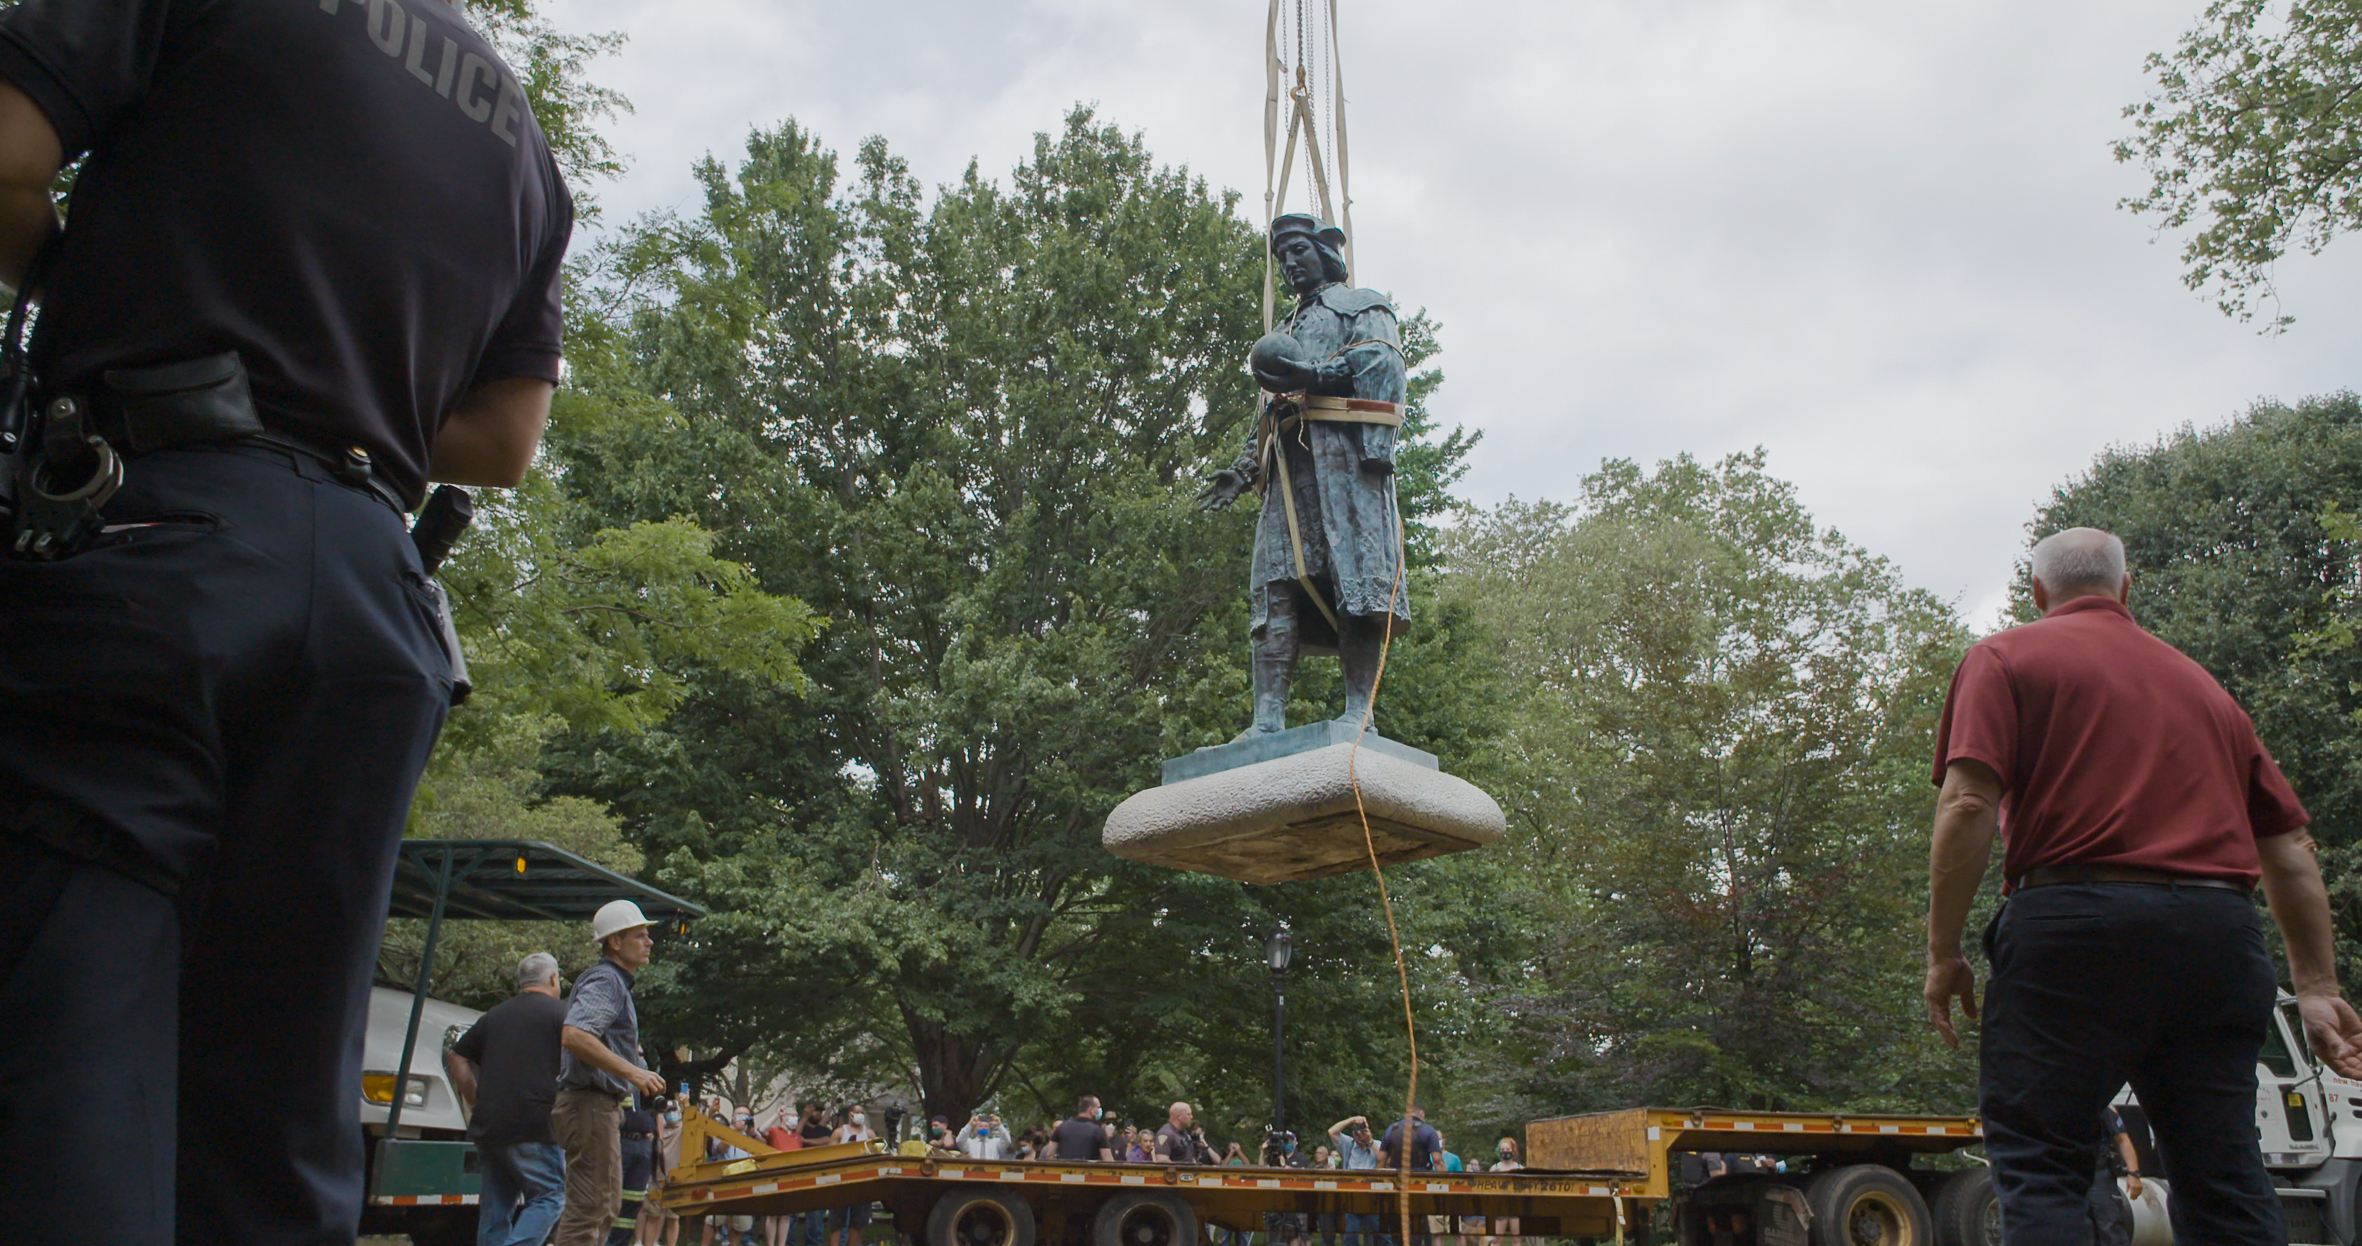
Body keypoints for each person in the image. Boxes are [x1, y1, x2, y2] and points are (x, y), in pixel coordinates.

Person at [0, 1, 571, 1241]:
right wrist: (341, 388)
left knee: (71, 1044)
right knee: (274, 1101)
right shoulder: (517, 132)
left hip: (159, 538)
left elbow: (8, 154)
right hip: (376, 600)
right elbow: (504, 440)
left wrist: (86, 278)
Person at [1924, 526, 2362, 1246]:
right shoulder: (2207, 691)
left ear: (2038, 593)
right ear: (2126, 589)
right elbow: (2288, 848)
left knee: (2044, 1164)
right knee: (2222, 1171)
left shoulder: (2004, 657)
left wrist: (1944, 950)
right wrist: (2315, 986)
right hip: (2217, 936)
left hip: (2073, 927)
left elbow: (1970, 804)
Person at [1196, 212, 1409, 736]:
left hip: (1345, 463)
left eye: (1299, 251)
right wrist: (1244, 471)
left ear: (1327, 252)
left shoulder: (1362, 306)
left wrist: (1316, 375)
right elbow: (1270, 411)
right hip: (1290, 474)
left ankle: (1361, 714)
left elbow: (1382, 364)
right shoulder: (1285, 330)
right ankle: (1266, 720)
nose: (1290, 263)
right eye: (1282, 256)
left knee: (1354, 581)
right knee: (1276, 590)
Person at [555, 901, 671, 1246]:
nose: (649, 941)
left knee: (604, 1205)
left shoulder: (614, 982)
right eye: (640, 935)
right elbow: (574, 1035)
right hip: (588, 1104)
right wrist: (634, 1073)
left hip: (596, 1107)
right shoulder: (607, 980)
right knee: (590, 1207)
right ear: (615, 943)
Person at [448, 952, 573, 1246]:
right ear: (554, 978)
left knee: (495, 1210)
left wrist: (474, 1100)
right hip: (535, 1124)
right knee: (550, 1196)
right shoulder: (561, 1014)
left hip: (489, 1124)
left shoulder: (493, 1016)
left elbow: (456, 1056)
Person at [611, 1095, 662, 1246]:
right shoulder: (620, 1076)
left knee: (633, 1201)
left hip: (642, 1144)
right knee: (611, 1197)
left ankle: (619, 1243)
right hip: (620, 1140)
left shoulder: (645, 1077)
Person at [2090, 1107, 2143, 1246]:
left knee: (2109, 1227)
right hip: (2071, 1174)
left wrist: (2133, 1174)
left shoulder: (2102, 1105)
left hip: (2098, 1176)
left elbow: (2122, 1139)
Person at [1329, 1116, 1383, 1246]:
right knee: (1351, 1236)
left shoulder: (1378, 1144)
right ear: (1353, 1134)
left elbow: (1383, 1161)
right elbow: (1332, 1132)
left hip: (1373, 1195)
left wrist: (1369, 1142)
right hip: (1352, 1195)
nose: (1360, 1135)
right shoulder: (1348, 1144)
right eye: (1357, 1132)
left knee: (1381, 1234)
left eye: (1364, 1131)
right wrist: (1351, 1120)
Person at [1048, 1095, 1116, 1161]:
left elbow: (1050, 1155)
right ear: (1091, 1110)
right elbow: (1108, 1160)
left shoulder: (1061, 1128)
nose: (1099, 1110)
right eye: (1098, 1107)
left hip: (1064, 1171)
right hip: (1089, 1171)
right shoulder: (1098, 1131)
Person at [1483, 1138, 1523, 1246]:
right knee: (1496, 1239)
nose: (1505, 1151)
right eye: (1502, 1149)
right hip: (1500, 1205)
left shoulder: (1520, 1168)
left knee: (1516, 1239)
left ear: (1513, 1150)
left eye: (1507, 1148)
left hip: (1515, 1204)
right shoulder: (1494, 1168)